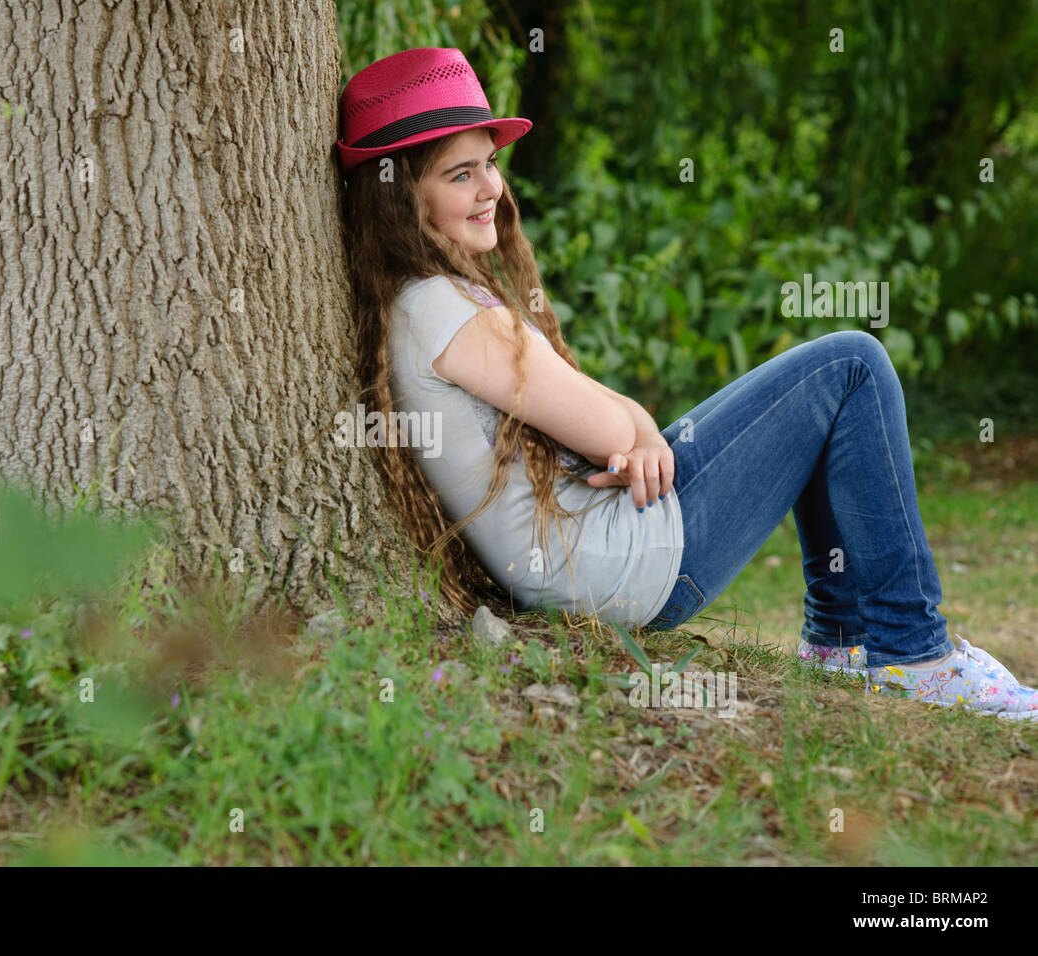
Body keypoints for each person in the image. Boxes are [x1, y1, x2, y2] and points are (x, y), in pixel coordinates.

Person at [335, 47, 1038, 721]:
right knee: (849, 366)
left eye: (489, 163)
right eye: (460, 174)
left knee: (833, 385)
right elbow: (608, 430)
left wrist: (634, 429)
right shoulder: (444, 310)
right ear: (398, 193)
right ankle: (914, 653)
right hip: (620, 566)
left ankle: (845, 643)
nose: (490, 187)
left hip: (598, 556)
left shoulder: (420, 302)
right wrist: (630, 431)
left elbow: (604, 419)